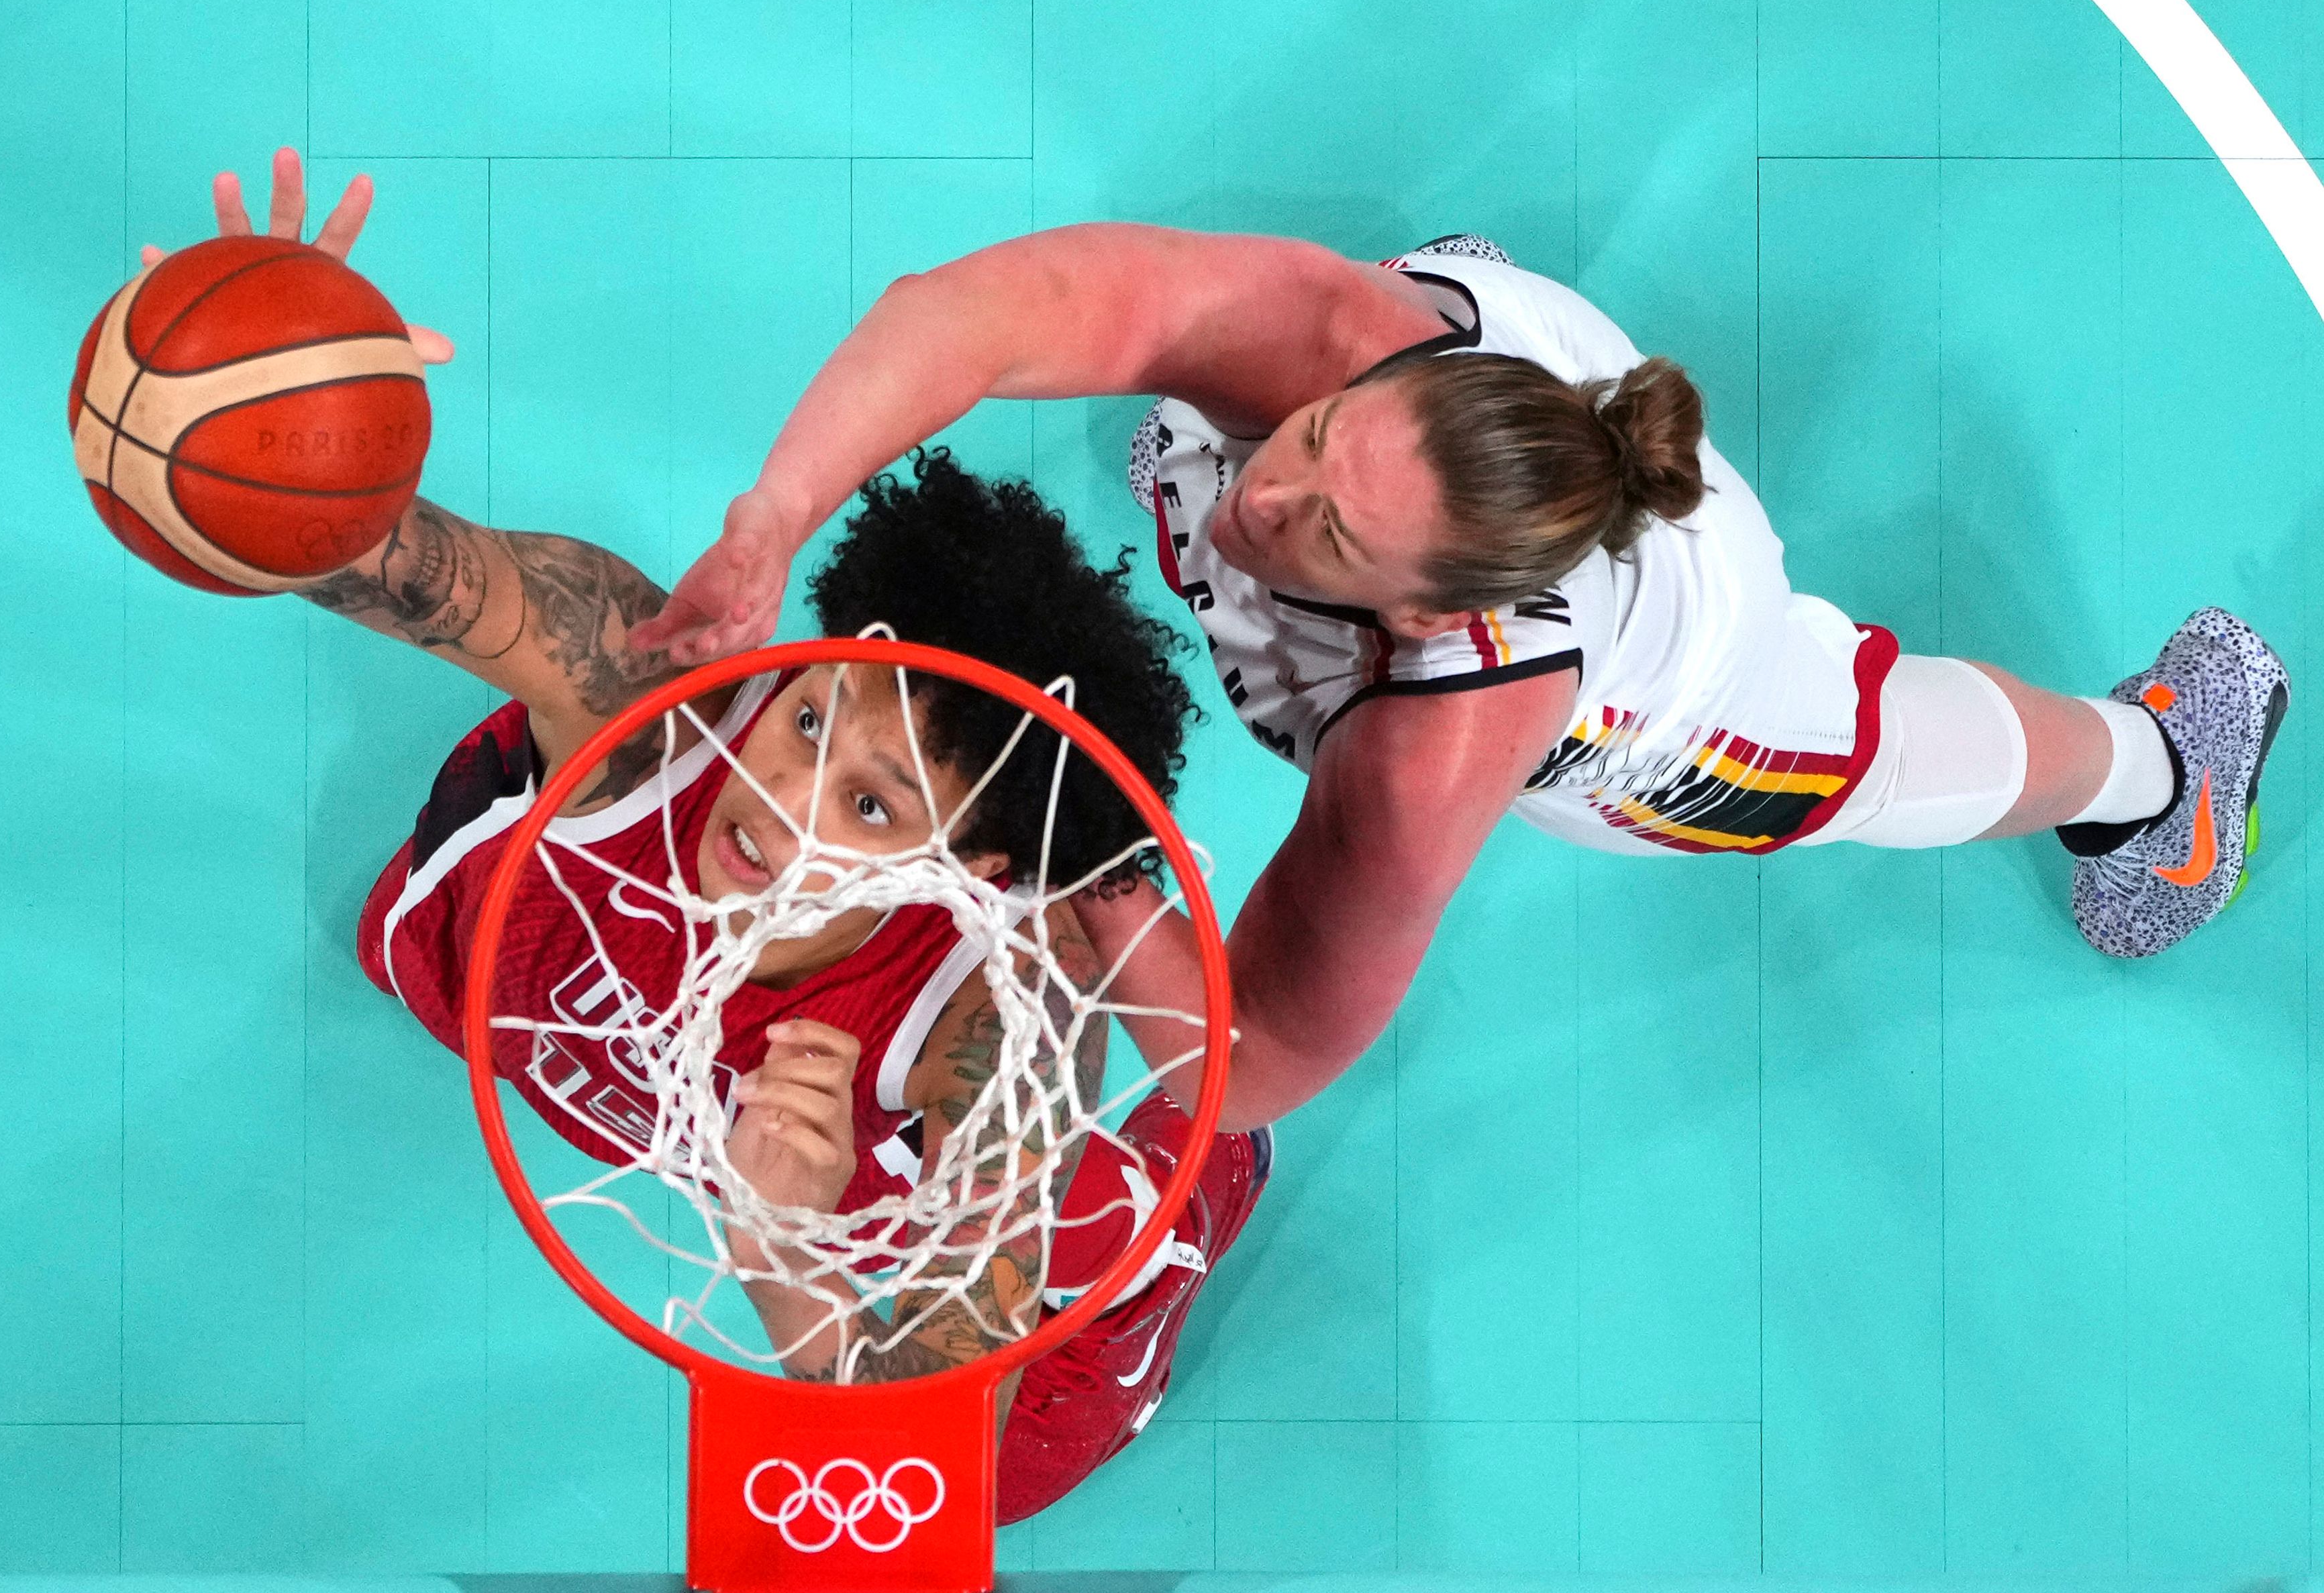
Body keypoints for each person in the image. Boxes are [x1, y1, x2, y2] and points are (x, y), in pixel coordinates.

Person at [146, 154, 1270, 1523]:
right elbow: (363, 553)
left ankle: (1210, 1182)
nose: (783, 802)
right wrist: (254, 408)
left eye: (872, 803)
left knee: (1022, 1461)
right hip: (578, 997)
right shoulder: (653, 700)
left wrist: (779, 1242)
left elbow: (899, 1461)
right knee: (464, 947)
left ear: (963, 870)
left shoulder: (999, 1026)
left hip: (853, 1181)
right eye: (808, 724)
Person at [630, 225, 2292, 1131]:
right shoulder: (1333, 344)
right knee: (1253, 398)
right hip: (1510, 392)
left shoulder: (1441, 743)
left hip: (1696, 697)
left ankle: (2167, 768)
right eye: (1312, 444)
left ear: (1412, 618)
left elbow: (1259, 1054)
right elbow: (976, 308)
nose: (1266, 492)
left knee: (1876, 747)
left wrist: (1086, 861)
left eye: (1327, 531)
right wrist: (773, 517)